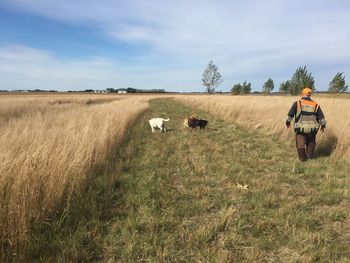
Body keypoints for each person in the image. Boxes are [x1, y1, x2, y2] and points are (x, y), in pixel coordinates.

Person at [286, 87, 326, 161]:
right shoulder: (316, 104)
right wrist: (323, 126)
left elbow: (290, 114)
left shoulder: (297, 103)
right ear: (309, 95)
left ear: (302, 94)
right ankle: (309, 157)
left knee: (300, 143)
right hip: (312, 130)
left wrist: (288, 122)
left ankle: (302, 159)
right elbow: (321, 117)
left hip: (300, 129)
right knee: (311, 142)